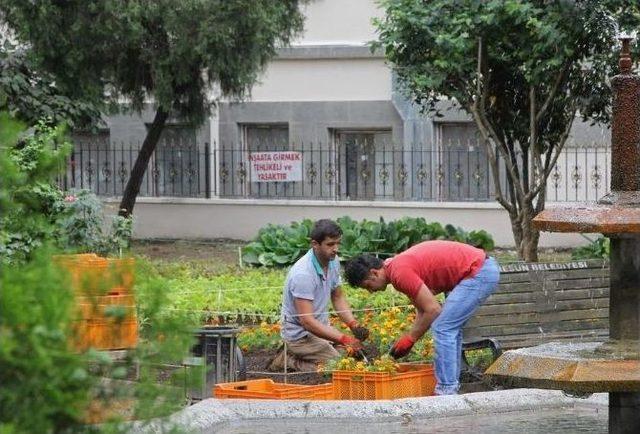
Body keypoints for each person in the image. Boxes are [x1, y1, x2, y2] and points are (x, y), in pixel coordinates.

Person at [344, 240, 500, 395]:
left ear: (374, 273)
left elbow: (433, 310)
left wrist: (411, 338)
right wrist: (409, 338)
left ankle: (446, 391)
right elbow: (423, 310)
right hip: (480, 269)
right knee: (450, 327)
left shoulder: (399, 272)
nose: (371, 291)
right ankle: (452, 384)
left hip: (478, 272)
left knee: (443, 327)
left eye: (368, 286)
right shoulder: (396, 267)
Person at [268, 219, 369, 372]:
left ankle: (320, 352)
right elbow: (307, 321)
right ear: (315, 244)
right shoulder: (303, 274)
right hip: (300, 337)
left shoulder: (332, 261)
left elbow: (338, 297)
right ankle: (287, 360)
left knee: (352, 355)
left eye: (338, 243)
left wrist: (353, 324)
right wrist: (344, 338)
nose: (335, 249)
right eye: (330, 244)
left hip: (321, 331)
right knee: (339, 367)